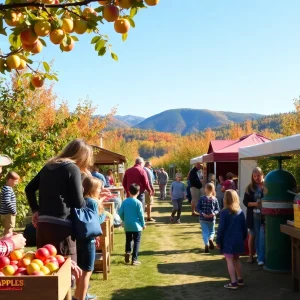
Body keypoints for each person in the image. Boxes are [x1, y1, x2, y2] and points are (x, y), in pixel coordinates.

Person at [25, 139, 96, 300]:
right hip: (62, 228)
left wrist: (36, 210)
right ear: (82, 156)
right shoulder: (73, 168)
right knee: (64, 273)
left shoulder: (48, 167)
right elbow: (78, 203)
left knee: (46, 270)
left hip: (43, 227)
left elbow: (29, 188)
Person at [74, 176, 101, 300]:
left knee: (80, 271)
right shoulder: (93, 202)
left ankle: (77, 295)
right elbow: (97, 221)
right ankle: (82, 297)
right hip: (89, 241)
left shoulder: (80, 200)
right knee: (87, 272)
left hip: (78, 239)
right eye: (99, 188)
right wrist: (104, 212)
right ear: (93, 189)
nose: (100, 190)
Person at [217, 190, 248, 290]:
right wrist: (243, 237)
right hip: (238, 240)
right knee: (236, 259)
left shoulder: (224, 212)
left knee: (229, 260)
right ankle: (240, 279)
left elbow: (221, 228)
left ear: (225, 199)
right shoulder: (240, 212)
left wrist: (218, 241)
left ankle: (233, 282)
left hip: (228, 240)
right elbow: (244, 227)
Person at [118, 184, 146, 266]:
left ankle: (127, 251)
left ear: (129, 192)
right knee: (136, 241)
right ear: (138, 192)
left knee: (128, 239)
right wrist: (143, 224)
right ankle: (134, 259)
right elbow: (141, 215)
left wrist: (124, 219)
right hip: (137, 226)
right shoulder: (138, 203)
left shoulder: (125, 201)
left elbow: (120, 213)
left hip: (127, 225)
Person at [243, 167, 265, 265]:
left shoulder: (267, 185)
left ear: (262, 175)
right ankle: (251, 255)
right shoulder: (250, 188)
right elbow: (245, 202)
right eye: (254, 176)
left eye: (258, 175)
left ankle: (262, 256)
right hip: (253, 216)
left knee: (263, 236)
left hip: (265, 215)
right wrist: (255, 204)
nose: (257, 178)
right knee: (252, 235)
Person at [196, 183, 220, 253]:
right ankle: (211, 239)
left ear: (205, 190)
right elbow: (217, 209)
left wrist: (202, 213)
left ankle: (206, 243)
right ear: (213, 190)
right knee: (212, 231)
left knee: (205, 231)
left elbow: (197, 208)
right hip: (211, 218)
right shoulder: (215, 199)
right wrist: (213, 213)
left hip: (203, 218)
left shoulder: (202, 198)